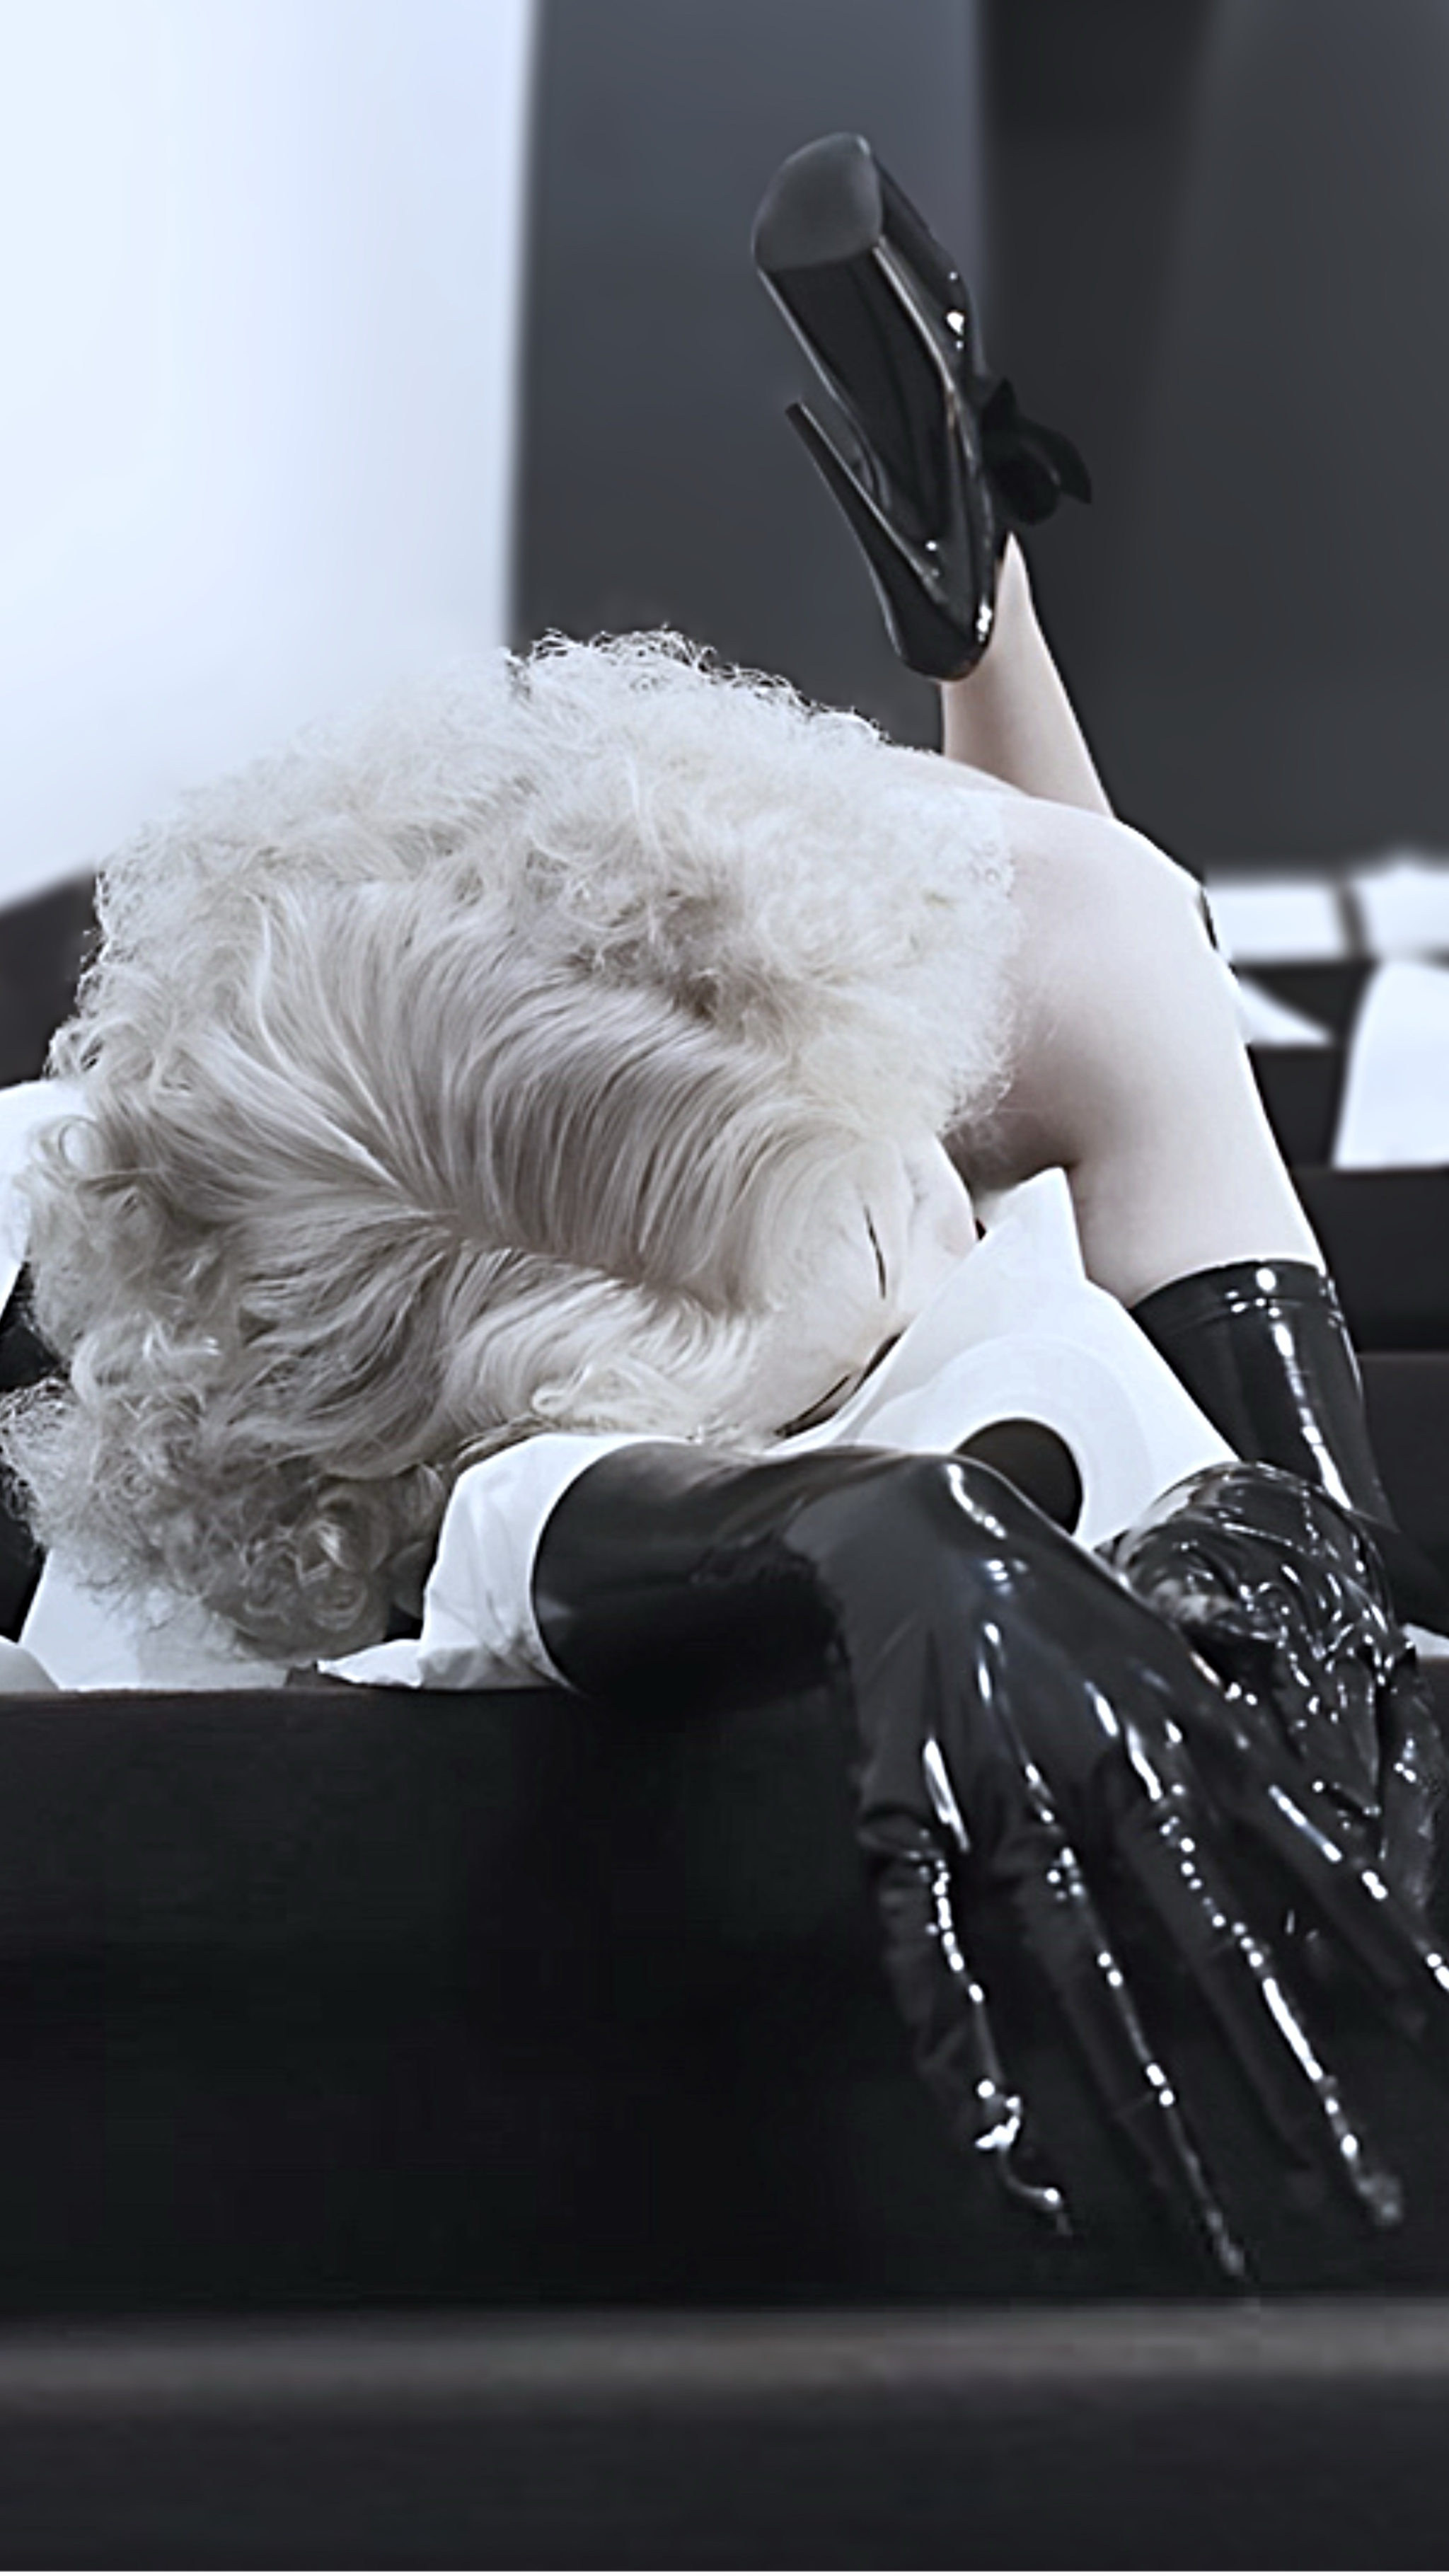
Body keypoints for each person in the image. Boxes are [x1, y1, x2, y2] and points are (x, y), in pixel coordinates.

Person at [0, 133, 1445, 2276]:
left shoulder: (698, 1044)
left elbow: (1337, 1601)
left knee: (1087, 953)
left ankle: (972, 603)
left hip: (540, 1014)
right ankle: (970, 592)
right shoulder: (550, 1417)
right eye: (871, 1246)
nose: (940, 1207)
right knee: (1112, 960)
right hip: (438, 1269)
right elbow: (509, 1541)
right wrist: (829, 1517)